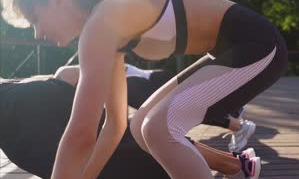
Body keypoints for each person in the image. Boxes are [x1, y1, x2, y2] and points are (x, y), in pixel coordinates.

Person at [1, 0, 287, 179]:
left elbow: (80, 135)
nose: (37, 33)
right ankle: (238, 170)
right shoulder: (108, 30)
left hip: (260, 45)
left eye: (35, 18)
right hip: (233, 50)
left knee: (158, 128)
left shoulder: (103, 22)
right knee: (141, 126)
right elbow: (115, 126)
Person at [0, 76, 257, 179]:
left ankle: (234, 166)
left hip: (18, 111)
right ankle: (233, 164)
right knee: (121, 148)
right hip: (22, 103)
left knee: (122, 146)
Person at [55, 63, 256, 152]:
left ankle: (238, 125)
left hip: (150, 83)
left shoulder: (107, 80)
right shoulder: (102, 73)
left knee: (179, 110)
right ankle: (235, 113)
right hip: (153, 79)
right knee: (187, 106)